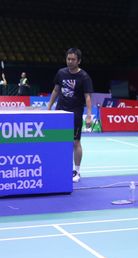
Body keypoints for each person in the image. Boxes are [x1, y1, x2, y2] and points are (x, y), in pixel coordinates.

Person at [46, 48, 94, 183]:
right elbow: (56, 90)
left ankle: (77, 171)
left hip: (75, 113)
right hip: (60, 112)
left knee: (75, 142)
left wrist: (89, 115)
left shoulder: (84, 77)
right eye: (68, 59)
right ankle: (58, 168)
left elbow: (88, 97)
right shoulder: (61, 73)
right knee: (57, 141)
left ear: (79, 61)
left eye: (73, 59)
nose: (70, 62)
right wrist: (49, 107)